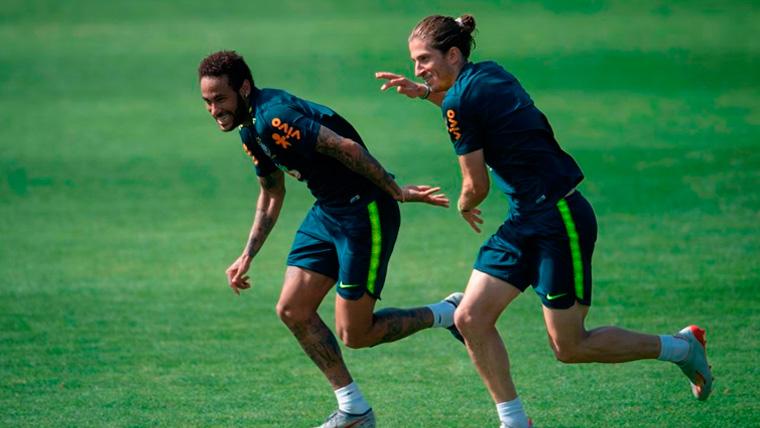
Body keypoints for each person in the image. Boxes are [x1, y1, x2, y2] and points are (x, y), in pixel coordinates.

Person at [376, 14, 713, 428]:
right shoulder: (490, 74)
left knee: (569, 346)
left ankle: (682, 348)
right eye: (414, 62)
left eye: (424, 59)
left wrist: (463, 204)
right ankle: (514, 421)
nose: (417, 70)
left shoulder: (459, 102)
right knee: (470, 319)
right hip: (525, 219)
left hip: (558, 219)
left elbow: (476, 185)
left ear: (454, 54)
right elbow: (469, 109)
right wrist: (428, 93)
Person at [198, 50, 465, 428]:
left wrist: (396, 190)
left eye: (220, 99)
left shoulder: (274, 117)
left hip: (365, 211)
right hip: (328, 211)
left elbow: (346, 147)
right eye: (207, 101)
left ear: (243, 88)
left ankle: (450, 312)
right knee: (292, 309)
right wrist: (247, 255)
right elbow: (271, 191)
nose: (214, 110)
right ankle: (354, 409)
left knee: (356, 333)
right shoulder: (249, 129)